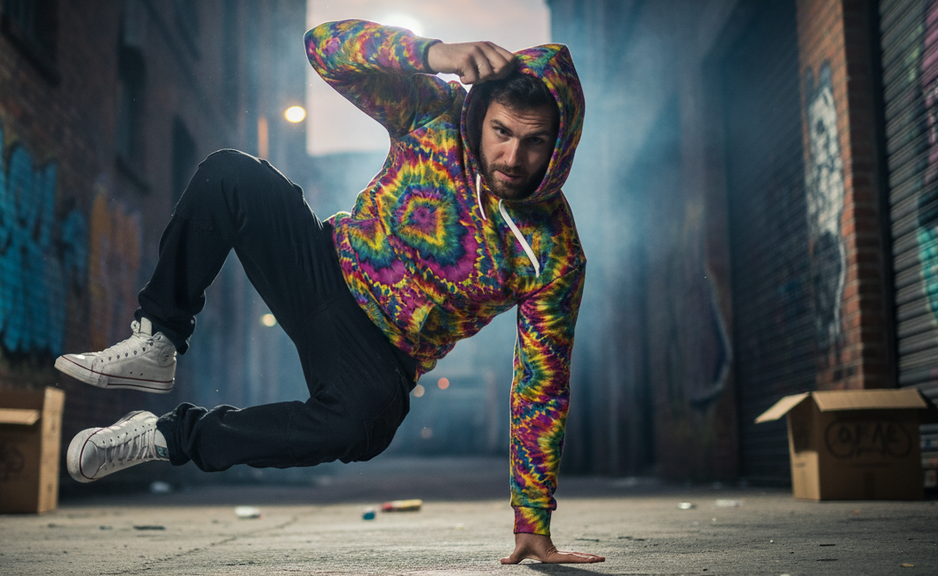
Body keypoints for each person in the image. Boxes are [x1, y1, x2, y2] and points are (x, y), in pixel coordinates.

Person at [58, 20, 598, 564]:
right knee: (230, 174)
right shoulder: (434, 113)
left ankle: (166, 437)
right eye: (502, 132)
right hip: (322, 264)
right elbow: (324, 49)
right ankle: (157, 340)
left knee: (363, 426)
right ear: (483, 115)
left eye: (534, 143)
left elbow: (542, 385)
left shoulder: (554, 254)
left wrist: (532, 518)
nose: (512, 158)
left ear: (559, 144)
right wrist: (434, 53)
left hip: (380, 353)